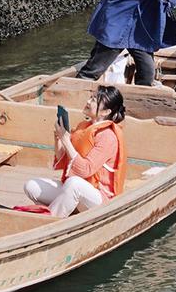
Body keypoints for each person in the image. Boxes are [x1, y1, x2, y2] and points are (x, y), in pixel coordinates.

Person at [23, 85, 127, 218]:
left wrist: (66, 140)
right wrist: (59, 139)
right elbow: (63, 158)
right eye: (91, 97)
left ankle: (49, 222)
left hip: (100, 199)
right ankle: (65, 210)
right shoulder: (84, 127)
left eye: (94, 100)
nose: (89, 102)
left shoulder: (108, 136)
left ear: (105, 112)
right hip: (76, 190)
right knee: (31, 186)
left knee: (74, 184)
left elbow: (85, 170)